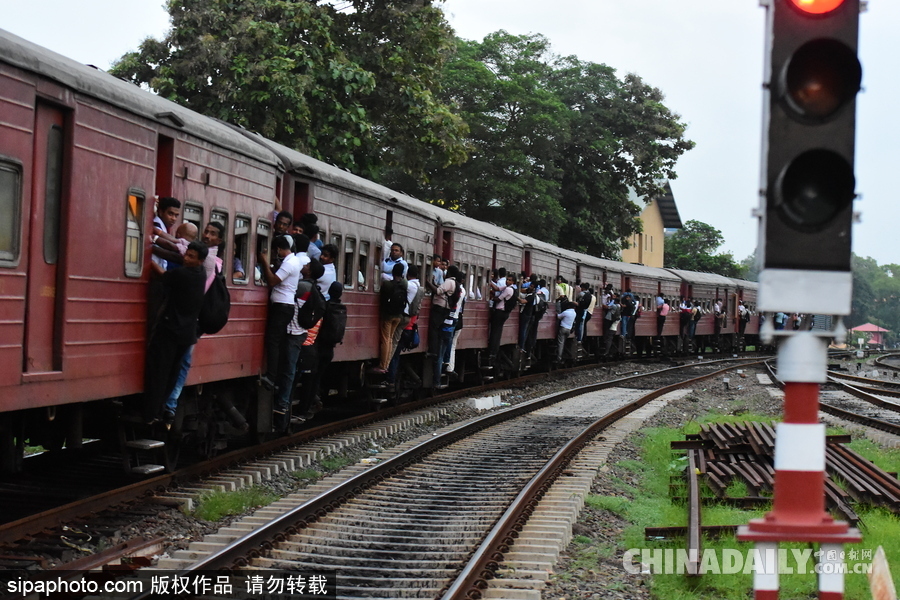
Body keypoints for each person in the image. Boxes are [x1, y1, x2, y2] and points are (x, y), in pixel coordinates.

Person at [143, 241, 207, 423]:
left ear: (200, 260)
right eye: (187, 254)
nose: (186, 258)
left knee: (159, 372)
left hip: (171, 331)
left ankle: (150, 414)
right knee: (173, 374)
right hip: (187, 335)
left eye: (191, 257)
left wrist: (147, 258)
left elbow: (163, 275)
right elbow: (177, 258)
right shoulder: (200, 273)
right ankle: (162, 409)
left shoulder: (183, 274)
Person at [272, 259, 325, 431]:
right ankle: (283, 407)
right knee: (290, 370)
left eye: (307, 266)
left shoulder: (302, 286)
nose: (304, 266)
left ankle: (282, 407)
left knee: (288, 371)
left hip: (293, 333)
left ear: (309, 272)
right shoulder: (313, 287)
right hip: (299, 332)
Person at [258, 235, 302, 388]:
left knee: (273, 340)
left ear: (279, 249)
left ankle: (271, 376)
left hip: (282, 306)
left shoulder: (289, 263)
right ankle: (274, 376)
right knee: (277, 341)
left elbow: (272, 281)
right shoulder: (293, 261)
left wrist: (264, 261)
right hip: (285, 305)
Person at [374, 263, 408, 373]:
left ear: (393, 272)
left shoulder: (387, 284)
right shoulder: (404, 284)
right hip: (398, 316)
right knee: (391, 339)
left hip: (388, 316)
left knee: (386, 340)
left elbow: (382, 299)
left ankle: (383, 365)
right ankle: (387, 363)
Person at [488, 272, 517, 364]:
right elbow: (497, 288)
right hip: (504, 313)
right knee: (497, 331)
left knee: (495, 332)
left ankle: (492, 351)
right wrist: (489, 282)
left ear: (513, 282)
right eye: (507, 279)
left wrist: (492, 297)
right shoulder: (509, 288)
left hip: (500, 312)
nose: (507, 281)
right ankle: (494, 351)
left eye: (510, 280)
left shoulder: (508, 290)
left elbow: (499, 299)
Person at [151, 197, 181, 272]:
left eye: (176, 215)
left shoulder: (162, 228)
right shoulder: (156, 226)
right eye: (170, 214)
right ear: (161, 212)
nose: (173, 218)